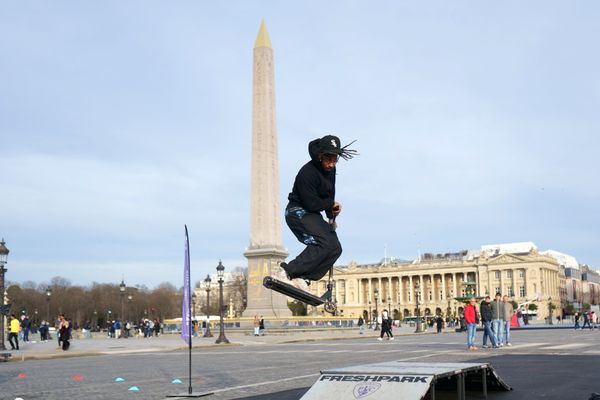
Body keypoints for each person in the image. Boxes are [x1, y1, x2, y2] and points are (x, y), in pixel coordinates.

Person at [277, 135, 357, 290]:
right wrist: (330, 204)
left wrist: (331, 216)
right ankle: (286, 271)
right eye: (328, 160)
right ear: (320, 156)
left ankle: (304, 278)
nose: (331, 164)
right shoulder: (307, 173)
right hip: (297, 212)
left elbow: (329, 194)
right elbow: (311, 203)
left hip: (313, 214)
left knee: (335, 248)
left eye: (335, 160)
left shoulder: (331, 171)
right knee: (323, 242)